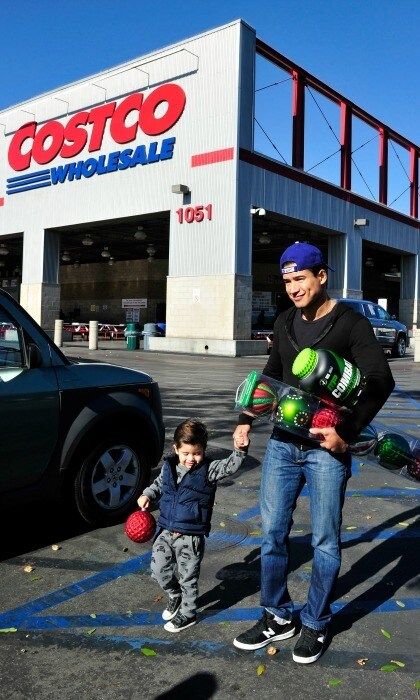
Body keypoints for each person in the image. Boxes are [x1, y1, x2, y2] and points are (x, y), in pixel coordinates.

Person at [233, 241, 394, 663]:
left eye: (300, 278)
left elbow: (380, 380)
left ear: (321, 276)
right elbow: (271, 375)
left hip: (326, 451)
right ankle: (276, 615)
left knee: (324, 540)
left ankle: (316, 624)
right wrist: (246, 419)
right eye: (287, 281)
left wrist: (346, 431)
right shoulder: (286, 321)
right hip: (284, 446)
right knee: (272, 534)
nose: (293, 288)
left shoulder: (350, 323)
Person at [138, 419, 249, 633]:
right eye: (186, 453)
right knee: (158, 569)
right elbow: (158, 485)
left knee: (188, 577)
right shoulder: (169, 467)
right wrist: (147, 494)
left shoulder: (208, 470)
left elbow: (229, 466)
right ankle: (174, 595)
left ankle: (189, 613)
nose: (191, 459)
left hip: (190, 536)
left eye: (197, 453)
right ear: (176, 449)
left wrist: (239, 450)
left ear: (204, 450)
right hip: (165, 530)